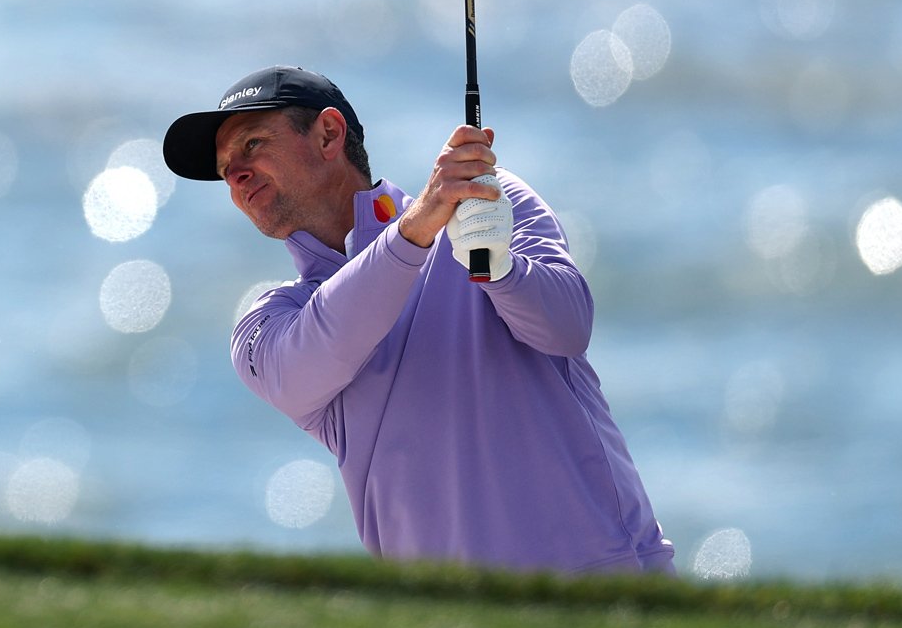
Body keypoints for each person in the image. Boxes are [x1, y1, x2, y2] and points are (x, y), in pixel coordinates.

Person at [162, 65, 674, 576]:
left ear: (328, 135)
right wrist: (414, 229)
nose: (235, 173)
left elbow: (567, 326)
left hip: (607, 591)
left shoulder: (488, 204)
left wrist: (497, 265)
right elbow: (314, 357)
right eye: (224, 166)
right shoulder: (268, 323)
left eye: (251, 145)